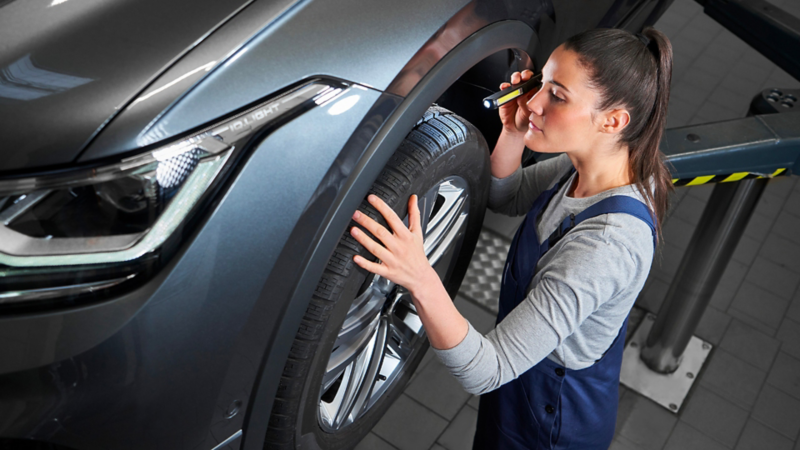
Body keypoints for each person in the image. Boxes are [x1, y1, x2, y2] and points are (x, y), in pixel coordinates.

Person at [348, 25, 674, 449]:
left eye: (557, 95)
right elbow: (508, 195)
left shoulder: (605, 247)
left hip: (550, 422)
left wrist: (418, 275)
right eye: (543, 84)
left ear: (613, 121)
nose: (534, 101)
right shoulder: (588, 169)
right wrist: (516, 132)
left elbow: (488, 369)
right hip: (522, 388)